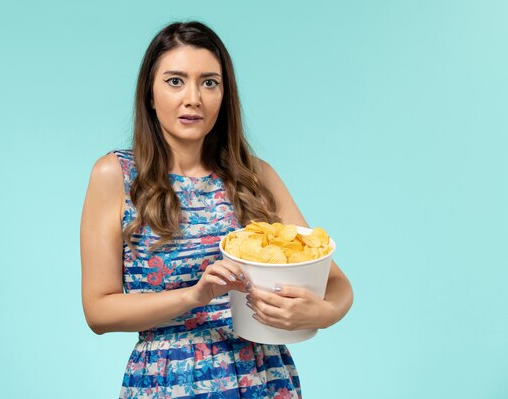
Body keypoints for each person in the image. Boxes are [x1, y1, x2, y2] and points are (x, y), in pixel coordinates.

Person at [80, 21, 353, 399]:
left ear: (224, 95)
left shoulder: (255, 176)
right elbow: (98, 311)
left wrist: (320, 315)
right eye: (175, 81)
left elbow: (336, 284)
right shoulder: (117, 175)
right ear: (150, 94)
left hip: (263, 379)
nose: (193, 98)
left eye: (209, 82)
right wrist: (195, 295)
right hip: (166, 382)